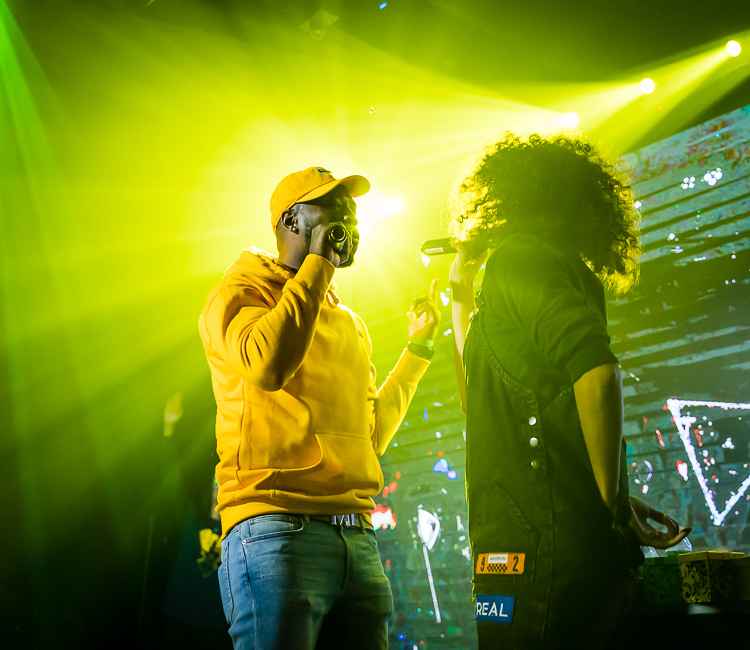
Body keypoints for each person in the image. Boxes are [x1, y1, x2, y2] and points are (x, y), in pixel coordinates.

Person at [447, 133, 690, 648]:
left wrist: (613, 502)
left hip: (539, 552)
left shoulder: (520, 260)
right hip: (536, 548)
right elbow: (485, 404)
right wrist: (461, 301)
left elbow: (597, 372)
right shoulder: (542, 271)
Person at [198, 166, 440, 649]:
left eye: (350, 209)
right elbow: (267, 365)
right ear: (291, 221)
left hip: (358, 540)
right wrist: (317, 266)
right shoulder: (241, 292)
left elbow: (368, 440)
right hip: (276, 531)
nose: (347, 216)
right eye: (330, 206)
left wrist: (419, 352)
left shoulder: (348, 322)